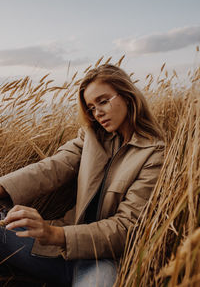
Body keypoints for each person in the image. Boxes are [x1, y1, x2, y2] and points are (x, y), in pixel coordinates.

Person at [0, 64, 165, 287]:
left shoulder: (155, 153)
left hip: (101, 262)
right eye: (91, 107)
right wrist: (2, 187)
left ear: (128, 96)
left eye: (103, 101)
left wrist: (54, 233)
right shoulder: (91, 137)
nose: (98, 113)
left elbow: (127, 228)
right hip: (51, 251)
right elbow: (53, 167)